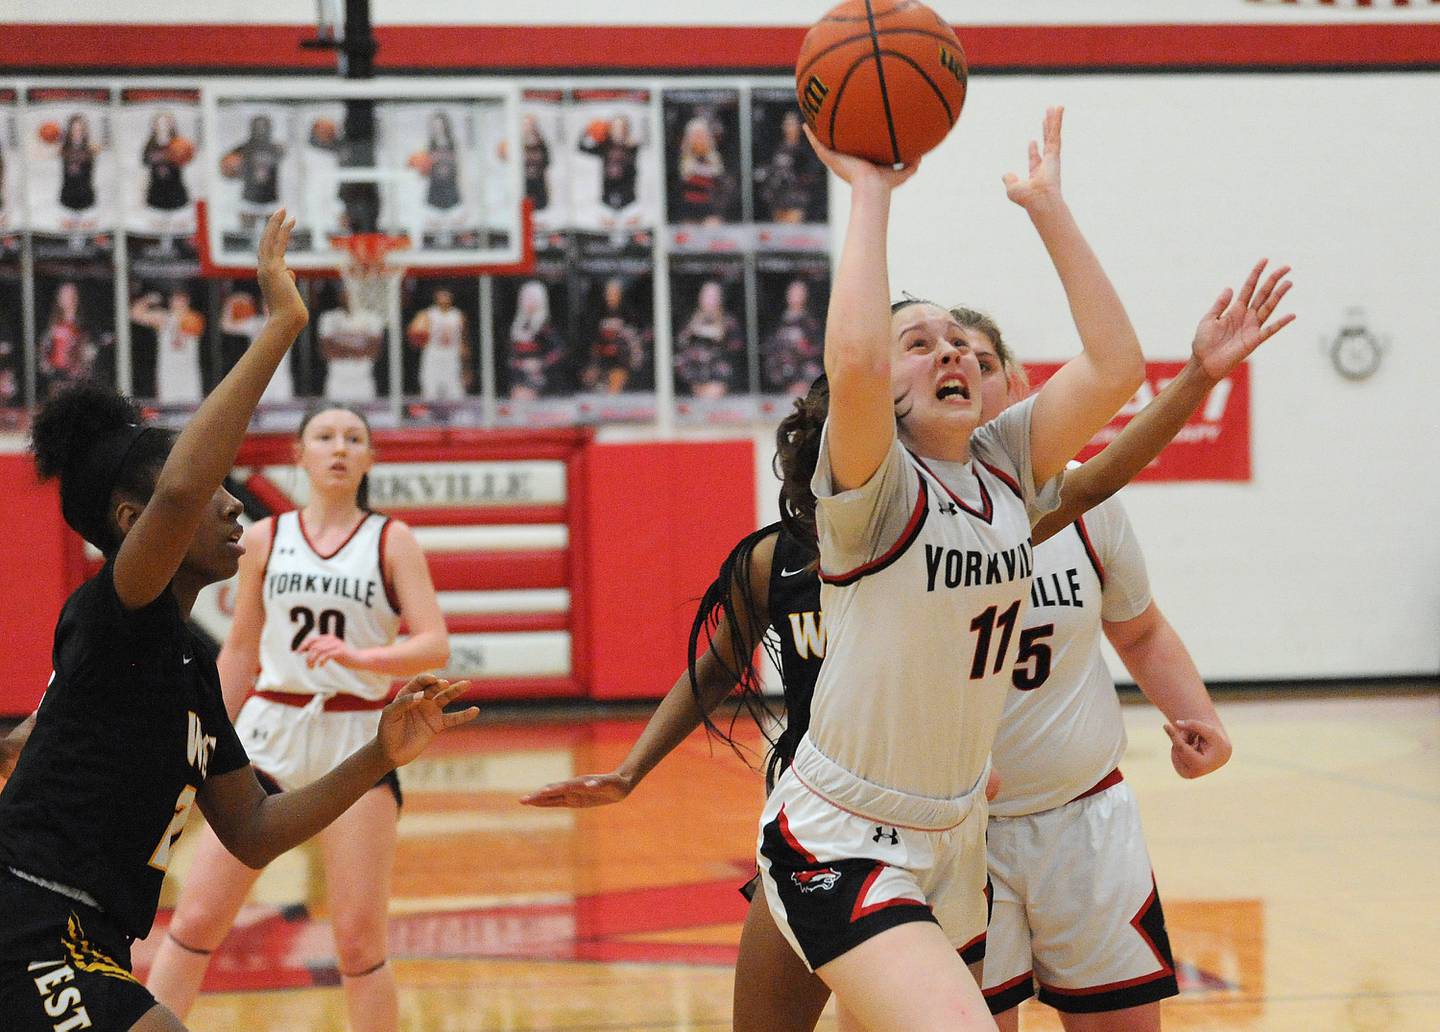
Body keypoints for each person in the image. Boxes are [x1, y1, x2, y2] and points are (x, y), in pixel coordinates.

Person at [522, 256, 1292, 1031]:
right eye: (925, 349)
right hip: (835, 814)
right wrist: (632, 769)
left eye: (976, 356)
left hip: (951, 823)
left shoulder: (989, 504)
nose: (959, 364)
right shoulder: (808, 542)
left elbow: (1094, 479)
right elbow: (719, 664)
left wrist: (1192, 378)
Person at [0, 211, 475, 1032]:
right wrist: (284, 323)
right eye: (208, 489)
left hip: (94, 937)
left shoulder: (188, 660)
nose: (229, 506)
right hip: (30, 920)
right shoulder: (116, 614)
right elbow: (184, 487)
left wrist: (380, 754)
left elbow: (251, 829)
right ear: (129, 521)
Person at [145, 400, 450, 1031]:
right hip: (266, 732)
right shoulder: (264, 539)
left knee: (361, 945)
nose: (339, 447)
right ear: (299, 455)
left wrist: (361, 654)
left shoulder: (392, 540)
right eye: (325, 436)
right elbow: (240, 650)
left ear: (370, 457)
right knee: (197, 920)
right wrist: (203, 741)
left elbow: (434, 644)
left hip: (358, 738)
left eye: (353, 438)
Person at [130, 288, 203, 405]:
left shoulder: (194, 318)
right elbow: (135, 315)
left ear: (188, 301)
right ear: (171, 301)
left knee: (191, 412)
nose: (179, 303)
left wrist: (176, 324)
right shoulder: (163, 318)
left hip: (188, 374)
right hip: (168, 373)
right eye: (177, 299)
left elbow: (185, 334)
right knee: (168, 410)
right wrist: (148, 299)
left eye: (182, 300)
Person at [675, 280, 746, 398]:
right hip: (693, 375)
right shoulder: (690, 319)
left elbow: (737, 346)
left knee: (709, 403)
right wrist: (692, 331)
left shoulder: (729, 321)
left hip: (718, 375)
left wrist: (720, 336)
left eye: (714, 296)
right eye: (706, 295)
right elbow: (680, 343)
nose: (710, 300)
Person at [580, 277, 646, 394]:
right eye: (609, 293)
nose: (611, 297)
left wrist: (635, 356)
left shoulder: (629, 314)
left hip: (622, 358)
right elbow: (591, 339)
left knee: (616, 381)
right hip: (601, 358)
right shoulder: (597, 313)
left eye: (615, 293)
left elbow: (635, 338)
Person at [757, 110, 823, 224]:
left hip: (797, 201)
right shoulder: (776, 149)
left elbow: (812, 175)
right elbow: (768, 171)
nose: (789, 128)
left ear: (799, 127)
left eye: (792, 124)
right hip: (778, 199)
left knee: (793, 233)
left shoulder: (806, 151)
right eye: (787, 124)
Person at [317, 288, 383, 402]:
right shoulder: (328, 317)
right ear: (340, 295)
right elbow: (327, 351)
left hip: (363, 380)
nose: (349, 296)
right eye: (346, 291)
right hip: (337, 380)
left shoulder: (373, 318)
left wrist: (341, 348)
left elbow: (373, 352)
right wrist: (358, 350)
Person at [506, 280, 567, 400]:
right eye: (525, 297)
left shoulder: (545, 326)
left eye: (532, 298)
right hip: (518, 378)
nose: (528, 302)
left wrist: (540, 364)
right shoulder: (517, 326)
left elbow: (559, 350)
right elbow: (512, 353)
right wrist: (516, 363)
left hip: (540, 380)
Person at [763, 278, 825, 396]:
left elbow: (817, 349)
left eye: (800, 293)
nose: (796, 296)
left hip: (803, 375)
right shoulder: (777, 322)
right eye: (793, 292)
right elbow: (771, 348)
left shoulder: (811, 324)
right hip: (780, 374)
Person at [39, 281, 94, 395]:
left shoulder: (86, 322)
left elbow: (89, 349)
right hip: (56, 374)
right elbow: (44, 346)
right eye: (64, 295)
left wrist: (84, 366)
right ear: (58, 298)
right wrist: (45, 363)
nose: (68, 298)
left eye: (72, 294)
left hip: (77, 376)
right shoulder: (52, 322)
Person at [578, 114, 640, 214]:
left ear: (626, 129)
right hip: (607, 197)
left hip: (628, 199)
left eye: (621, 127)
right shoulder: (605, 146)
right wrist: (587, 130)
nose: (618, 130)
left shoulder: (632, 146)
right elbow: (581, 147)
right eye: (615, 127)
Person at [675, 115, 731, 225]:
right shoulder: (681, 158)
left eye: (701, 135)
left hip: (710, 207)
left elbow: (722, 185)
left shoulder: (716, 158)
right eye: (695, 135)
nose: (699, 138)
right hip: (687, 208)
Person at [141, 112, 188, 212]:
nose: (163, 127)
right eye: (160, 123)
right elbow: (144, 160)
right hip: (156, 192)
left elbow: (184, 159)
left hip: (176, 192)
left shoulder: (179, 142)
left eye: (166, 123)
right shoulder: (151, 143)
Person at [59, 114, 99, 212]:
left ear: (85, 130)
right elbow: (39, 154)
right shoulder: (63, 148)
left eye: (80, 129)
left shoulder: (91, 147)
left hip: (86, 195)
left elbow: (105, 148)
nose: (77, 132)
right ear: (69, 130)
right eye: (74, 129)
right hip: (67, 196)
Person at [423, 111, 461, 212]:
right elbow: (424, 167)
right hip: (435, 190)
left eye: (440, 125)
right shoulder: (430, 144)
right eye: (435, 125)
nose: (438, 128)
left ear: (445, 125)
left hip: (451, 189)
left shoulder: (453, 143)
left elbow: (459, 167)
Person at [521, 113, 551, 212]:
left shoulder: (541, 141)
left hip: (538, 181)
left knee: (540, 206)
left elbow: (548, 161)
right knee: (525, 208)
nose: (528, 127)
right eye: (525, 124)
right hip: (524, 181)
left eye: (530, 124)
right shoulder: (517, 141)